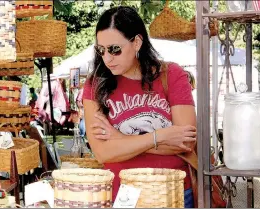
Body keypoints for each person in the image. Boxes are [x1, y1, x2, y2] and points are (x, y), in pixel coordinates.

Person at [82, 6, 196, 207]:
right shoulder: (95, 85)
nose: (107, 58)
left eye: (115, 49)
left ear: (136, 42)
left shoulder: (171, 75)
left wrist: (121, 139)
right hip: (124, 195)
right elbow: (103, 152)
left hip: (173, 192)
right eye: (101, 50)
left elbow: (185, 143)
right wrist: (160, 136)